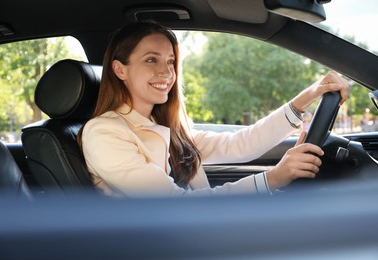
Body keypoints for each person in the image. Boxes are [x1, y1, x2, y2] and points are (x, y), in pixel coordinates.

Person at [78, 20, 349, 198]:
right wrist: (273, 178)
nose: (166, 72)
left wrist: (308, 97)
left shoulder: (167, 129)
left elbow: (241, 144)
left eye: (171, 62)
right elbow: (173, 207)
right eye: (152, 60)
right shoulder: (104, 133)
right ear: (119, 69)